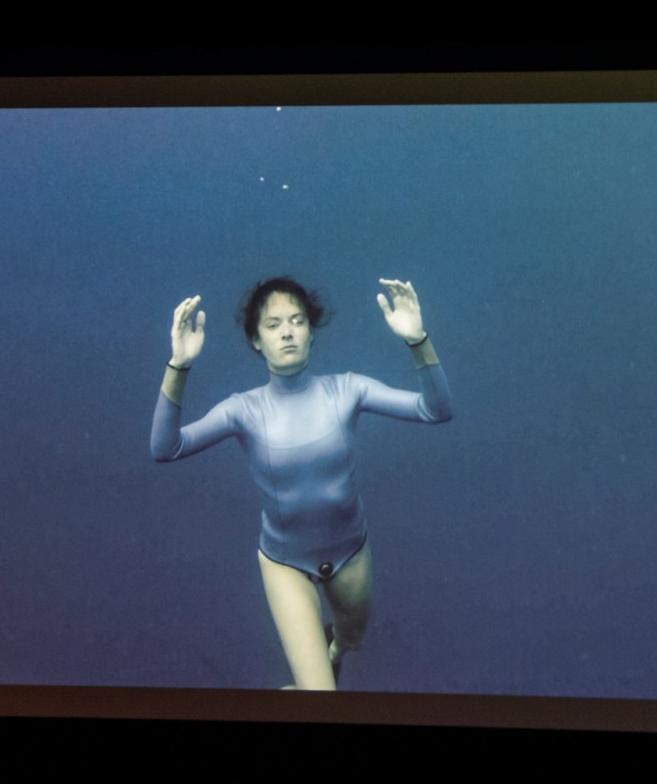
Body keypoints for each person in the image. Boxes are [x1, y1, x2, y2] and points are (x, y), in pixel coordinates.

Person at [151, 276, 453, 690]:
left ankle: (333, 651)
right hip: (285, 564)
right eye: (273, 324)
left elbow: (436, 410)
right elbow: (166, 448)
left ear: (311, 331)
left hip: (350, 553)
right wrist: (179, 365)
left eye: (297, 320)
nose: (287, 332)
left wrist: (417, 340)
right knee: (319, 700)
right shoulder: (243, 410)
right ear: (256, 340)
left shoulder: (347, 390)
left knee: (352, 639)